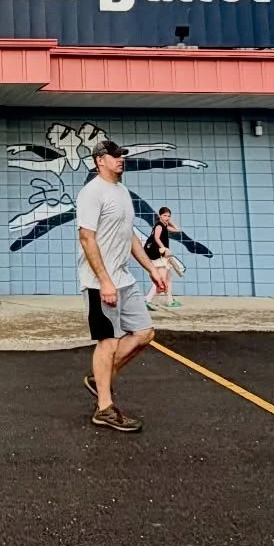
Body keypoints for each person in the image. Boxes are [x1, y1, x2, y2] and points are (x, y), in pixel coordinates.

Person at [77, 139, 169, 432]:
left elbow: (129, 236)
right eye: (114, 156)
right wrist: (104, 281)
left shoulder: (122, 192)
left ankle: (100, 377)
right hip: (99, 282)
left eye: (121, 156)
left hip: (124, 279)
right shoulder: (91, 193)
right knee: (108, 341)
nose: (120, 159)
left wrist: (152, 268)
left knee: (144, 333)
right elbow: (86, 238)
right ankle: (104, 408)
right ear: (99, 160)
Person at [143, 206, 184, 309]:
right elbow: (156, 238)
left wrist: (170, 221)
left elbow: (178, 230)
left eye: (168, 216)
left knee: (169, 278)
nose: (167, 217)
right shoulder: (159, 226)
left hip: (162, 256)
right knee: (161, 280)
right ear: (160, 216)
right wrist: (164, 248)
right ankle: (147, 299)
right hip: (159, 257)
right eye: (164, 215)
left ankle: (170, 300)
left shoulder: (164, 226)